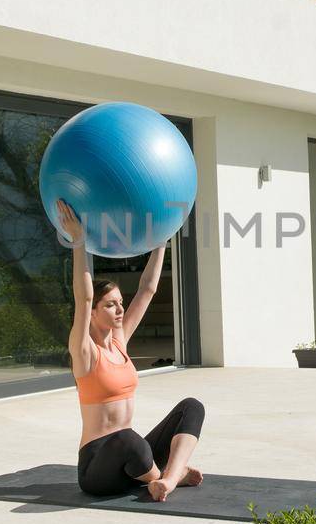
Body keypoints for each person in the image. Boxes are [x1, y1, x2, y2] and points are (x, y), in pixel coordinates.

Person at [57, 200, 205, 501]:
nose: (120, 309)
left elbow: (147, 289)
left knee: (192, 406)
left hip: (133, 459)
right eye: (111, 304)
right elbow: (83, 297)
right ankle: (168, 476)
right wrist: (79, 242)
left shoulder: (119, 342)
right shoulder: (85, 352)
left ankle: (168, 478)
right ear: (94, 312)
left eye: (120, 302)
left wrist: (162, 239)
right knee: (128, 439)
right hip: (98, 468)